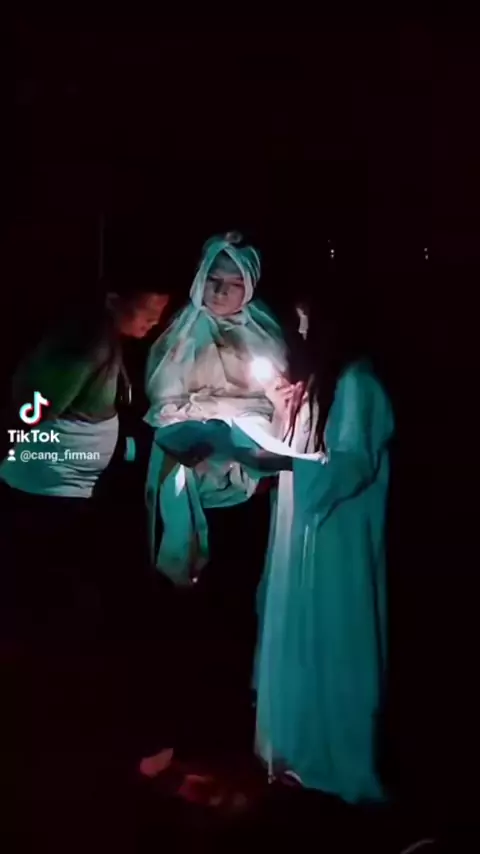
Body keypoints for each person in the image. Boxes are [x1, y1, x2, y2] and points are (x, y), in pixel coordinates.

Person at [0, 282, 170, 822]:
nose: (155, 321)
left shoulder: (103, 341)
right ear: (117, 296)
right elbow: (31, 408)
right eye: (150, 309)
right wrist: (29, 444)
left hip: (66, 499)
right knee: (67, 615)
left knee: (72, 613)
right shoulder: (85, 343)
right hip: (49, 504)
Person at [231, 289, 395, 805]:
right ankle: (295, 748)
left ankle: (332, 758)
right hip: (301, 531)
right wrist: (282, 419)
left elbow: (350, 464)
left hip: (336, 536)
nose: (299, 335)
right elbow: (301, 449)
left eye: (307, 323)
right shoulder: (321, 383)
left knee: (334, 637)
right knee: (296, 629)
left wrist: (286, 462)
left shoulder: (358, 383)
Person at [143, 231, 286, 765]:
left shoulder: (265, 332)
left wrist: (243, 423)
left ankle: (233, 715)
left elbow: (278, 402)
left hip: (248, 488)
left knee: (237, 600)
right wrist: (204, 421)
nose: (222, 293)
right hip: (193, 480)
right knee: (187, 607)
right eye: (214, 282)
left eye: (233, 283)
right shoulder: (183, 334)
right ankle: (185, 714)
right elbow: (164, 403)